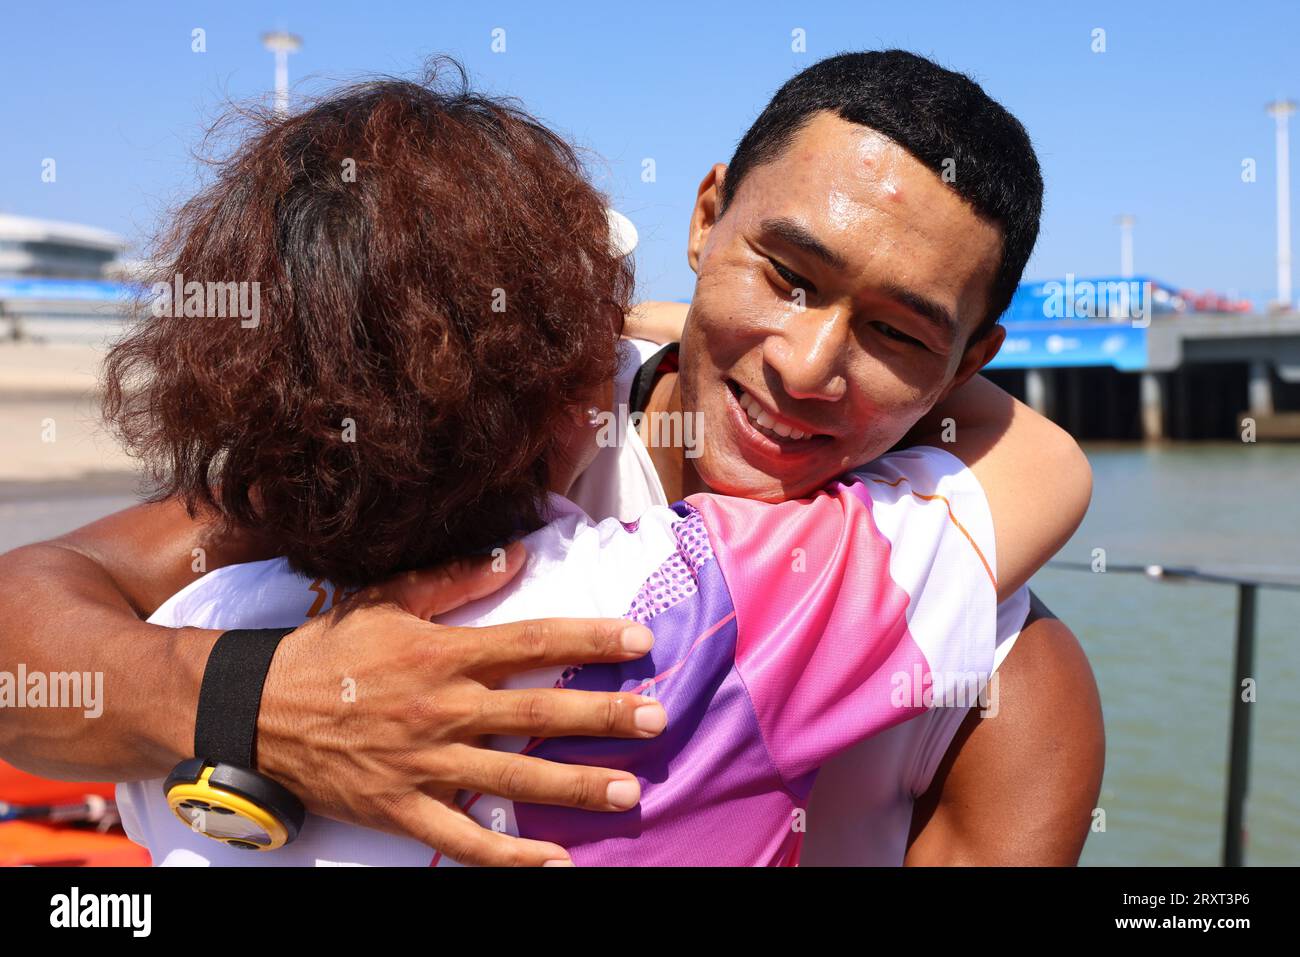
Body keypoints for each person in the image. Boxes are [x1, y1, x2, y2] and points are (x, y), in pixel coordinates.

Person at [0, 51, 1102, 865]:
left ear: (973, 360)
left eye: (899, 334)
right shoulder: (456, 434)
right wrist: (262, 700)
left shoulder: (997, 669)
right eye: (786, 275)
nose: (807, 368)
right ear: (705, 214)